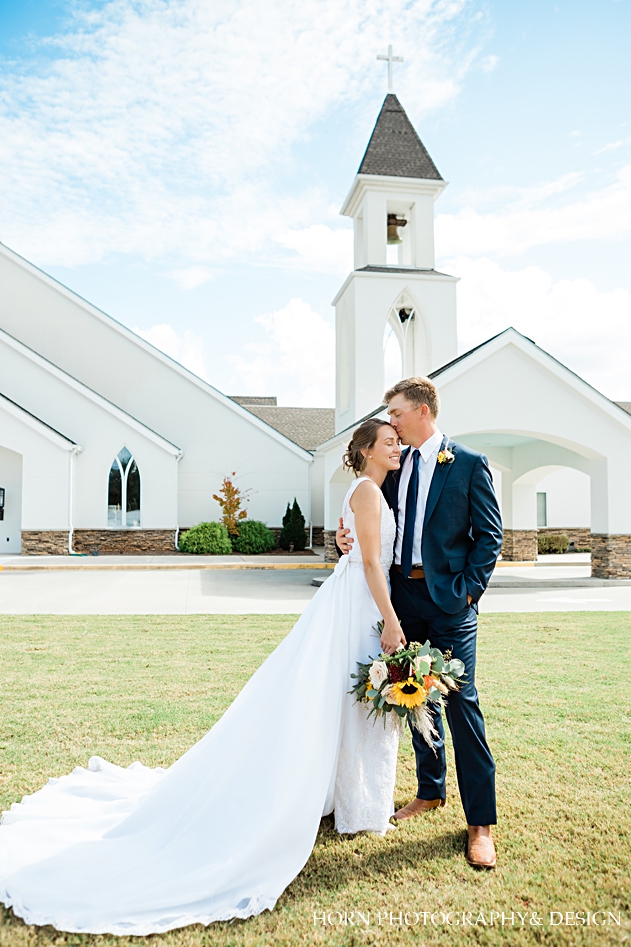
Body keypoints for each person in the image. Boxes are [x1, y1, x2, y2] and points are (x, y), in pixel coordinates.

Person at [0, 419, 403, 936]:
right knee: (339, 701)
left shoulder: (365, 488)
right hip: (359, 605)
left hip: (352, 603)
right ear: (367, 451)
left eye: (397, 440)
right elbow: (371, 561)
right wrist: (390, 619)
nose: (396, 447)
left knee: (341, 701)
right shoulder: (368, 492)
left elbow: (358, 551)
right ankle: (350, 802)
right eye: (387, 442)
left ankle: (346, 798)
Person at [336, 377, 503, 869]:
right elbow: (365, 516)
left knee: (460, 704)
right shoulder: (395, 460)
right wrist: (344, 538)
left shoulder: (469, 464)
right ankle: (429, 791)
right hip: (400, 596)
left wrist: (467, 592)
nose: (391, 422)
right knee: (410, 693)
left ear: (424, 410)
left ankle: (480, 823)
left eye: (397, 412)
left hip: (450, 602)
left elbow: (489, 536)